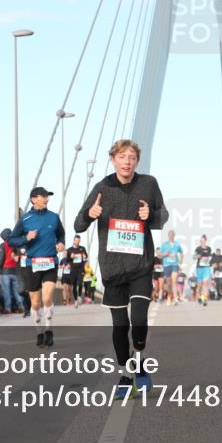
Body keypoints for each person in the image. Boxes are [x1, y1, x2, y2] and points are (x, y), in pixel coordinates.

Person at [75, 139, 169, 396]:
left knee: (138, 319)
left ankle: (138, 362)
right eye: (122, 157)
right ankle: (125, 374)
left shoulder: (148, 184)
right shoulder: (102, 188)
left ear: (137, 161)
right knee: (120, 325)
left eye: (131, 158)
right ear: (113, 160)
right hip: (113, 268)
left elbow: (163, 216)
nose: (127, 162)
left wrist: (150, 215)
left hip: (140, 265)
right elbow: (77, 226)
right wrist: (89, 214)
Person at [8, 187, 66, 348]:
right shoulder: (25, 219)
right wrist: (26, 237)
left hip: (50, 262)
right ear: (34, 199)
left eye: (48, 196)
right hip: (32, 264)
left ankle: (48, 330)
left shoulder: (54, 217)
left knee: (47, 298)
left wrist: (61, 242)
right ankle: (39, 331)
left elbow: (61, 234)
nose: (47, 199)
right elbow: (12, 240)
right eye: (44, 196)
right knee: (35, 303)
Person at [0, 228, 26, 314]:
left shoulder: (3, 245)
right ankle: (21, 307)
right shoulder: (16, 245)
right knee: (16, 291)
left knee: (6, 291)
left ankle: (8, 308)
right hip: (15, 271)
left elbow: (1, 258)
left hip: (5, 271)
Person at [159, 230, 184, 305]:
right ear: (168, 235)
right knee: (169, 283)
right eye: (170, 235)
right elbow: (159, 255)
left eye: (172, 235)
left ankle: (175, 299)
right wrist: (165, 254)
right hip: (167, 265)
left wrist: (181, 261)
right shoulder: (164, 244)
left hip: (175, 265)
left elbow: (181, 253)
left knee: (174, 281)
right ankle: (169, 295)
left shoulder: (177, 244)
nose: (171, 236)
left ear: (174, 235)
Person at [67, 235, 90, 307]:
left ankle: (79, 296)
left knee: (80, 283)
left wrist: (84, 256)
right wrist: (70, 257)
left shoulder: (82, 248)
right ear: (74, 240)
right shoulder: (69, 249)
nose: (77, 242)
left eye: (79, 241)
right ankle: (76, 300)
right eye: (76, 240)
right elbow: (67, 259)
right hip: (73, 269)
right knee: (74, 285)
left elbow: (86, 256)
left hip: (81, 269)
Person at [192, 235, 213, 306]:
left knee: (205, 283)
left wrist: (209, 259)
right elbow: (194, 257)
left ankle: (205, 299)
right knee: (199, 285)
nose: (201, 242)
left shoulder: (209, 248)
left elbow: (210, 257)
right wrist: (198, 256)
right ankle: (199, 297)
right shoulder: (198, 248)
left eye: (202, 241)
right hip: (199, 268)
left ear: (205, 241)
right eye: (200, 241)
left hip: (206, 267)